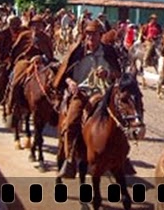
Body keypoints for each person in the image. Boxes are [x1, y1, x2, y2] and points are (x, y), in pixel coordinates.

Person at [53, 20, 123, 179]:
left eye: (95, 34)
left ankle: (120, 158)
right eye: (89, 34)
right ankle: (70, 157)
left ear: (101, 36)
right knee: (71, 123)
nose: (91, 37)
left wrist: (107, 74)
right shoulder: (77, 51)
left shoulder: (109, 51)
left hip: (103, 93)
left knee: (121, 119)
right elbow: (64, 74)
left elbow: (118, 74)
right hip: (81, 93)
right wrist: (71, 83)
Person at [4, 14, 54, 125]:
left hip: (41, 63)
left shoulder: (46, 38)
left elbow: (50, 54)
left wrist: (41, 58)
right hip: (25, 61)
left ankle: (52, 112)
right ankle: (11, 106)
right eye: (35, 25)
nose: (37, 27)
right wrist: (15, 59)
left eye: (40, 25)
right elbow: (15, 49)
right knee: (16, 81)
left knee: (52, 82)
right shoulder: (24, 35)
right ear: (31, 26)